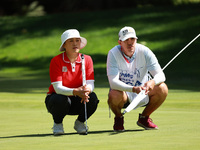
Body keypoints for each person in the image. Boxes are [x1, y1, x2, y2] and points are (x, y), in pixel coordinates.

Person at [107, 26, 168, 131]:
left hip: (143, 92)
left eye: (132, 39)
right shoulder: (113, 53)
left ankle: (144, 118)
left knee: (163, 88)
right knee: (113, 94)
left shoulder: (145, 51)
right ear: (120, 42)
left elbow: (161, 76)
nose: (130, 42)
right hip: (124, 94)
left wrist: (153, 81)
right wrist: (133, 89)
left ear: (136, 40)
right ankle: (118, 118)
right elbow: (113, 83)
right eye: (126, 40)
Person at [45, 29, 99, 135]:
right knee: (59, 99)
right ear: (64, 44)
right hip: (59, 100)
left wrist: (86, 91)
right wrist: (75, 91)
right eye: (71, 41)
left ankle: (80, 122)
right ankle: (58, 123)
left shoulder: (87, 59)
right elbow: (57, 88)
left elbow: (90, 83)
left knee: (92, 98)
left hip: (79, 100)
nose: (75, 43)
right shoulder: (56, 61)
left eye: (77, 40)